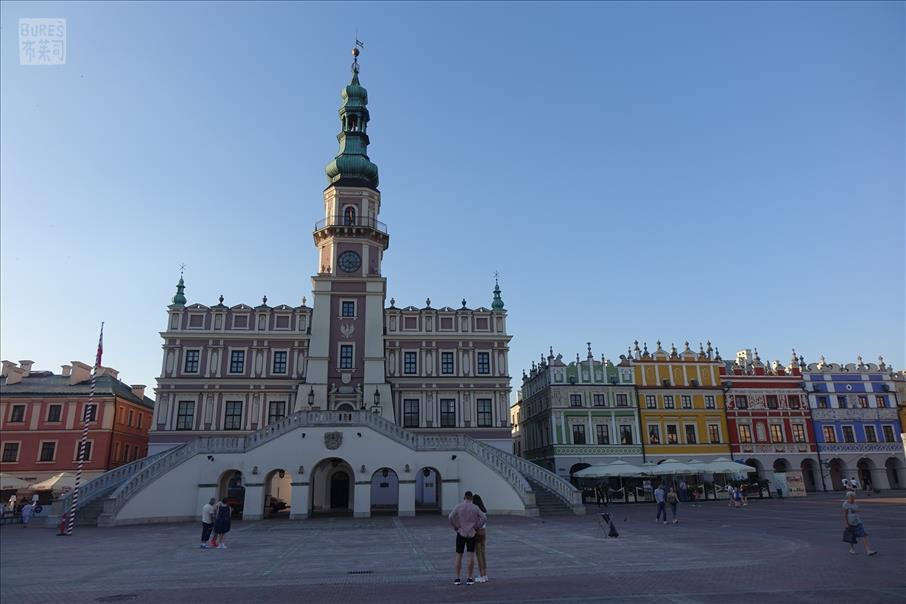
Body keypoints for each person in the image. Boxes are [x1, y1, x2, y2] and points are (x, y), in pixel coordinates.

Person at [448, 491, 486, 585]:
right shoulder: (475, 508)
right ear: (471, 498)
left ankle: (457, 578)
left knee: (459, 555)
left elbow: (450, 517)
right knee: (470, 555)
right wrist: (476, 526)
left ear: (464, 497)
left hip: (461, 532)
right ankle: (469, 578)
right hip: (472, 533)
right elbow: (484, 518)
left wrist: (456, 526)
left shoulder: (458, 506)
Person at [842, 491, 877, 556]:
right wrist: (846, 523)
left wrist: (855, 511)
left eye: (853, 497)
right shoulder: (845, 504)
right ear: (848, 497)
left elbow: (857, 510)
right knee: (851, 536)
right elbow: (845, 514)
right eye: (851, 497)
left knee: (863, 534)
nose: (852, 498)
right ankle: (852, 549)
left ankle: (868, 550)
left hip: (858, 521)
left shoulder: (855, 502)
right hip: (850, 522)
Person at [472, 494, 489, 583]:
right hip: (484, 532)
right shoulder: (483, 510)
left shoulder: (476, 511)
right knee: (483, 554)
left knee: (479, 555)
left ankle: (481, 575)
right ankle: (485, 574)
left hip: (477, 533)